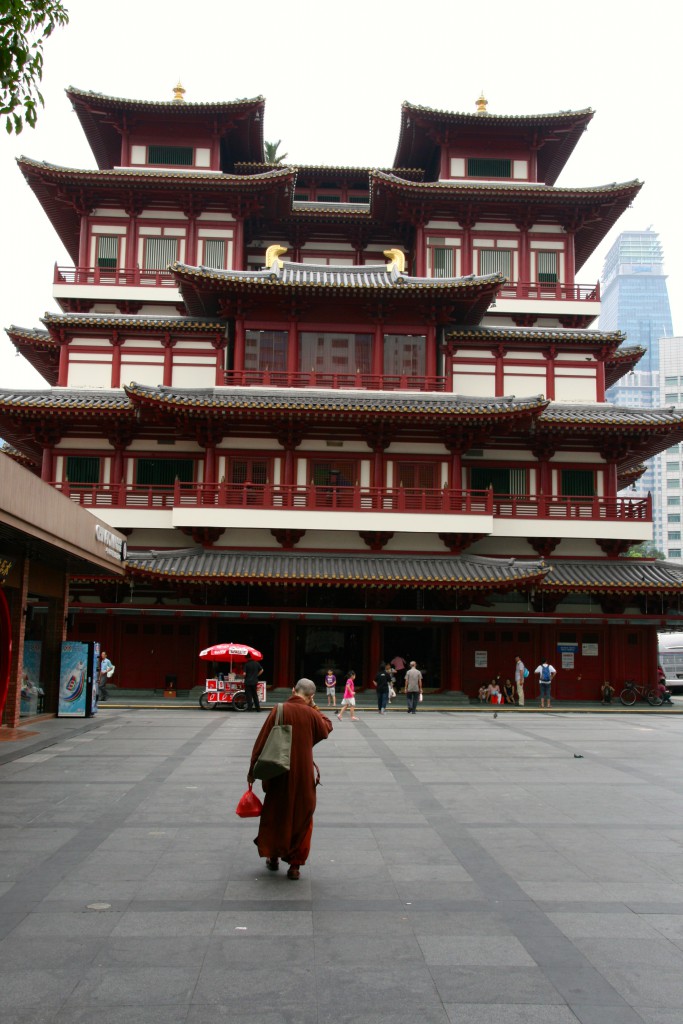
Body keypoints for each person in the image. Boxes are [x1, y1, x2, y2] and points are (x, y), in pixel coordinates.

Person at [248, 678, 332, 880]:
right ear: (311, 696)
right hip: (303, 775)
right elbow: (327, 726)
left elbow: (262, 741)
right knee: (301, 816)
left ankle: (273, 856)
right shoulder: (312, 714)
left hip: (278, 773)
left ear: (293, 690)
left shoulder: (279, 710)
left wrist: (252, 770)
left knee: (276, 814)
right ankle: (294, 866)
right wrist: (314, 706)